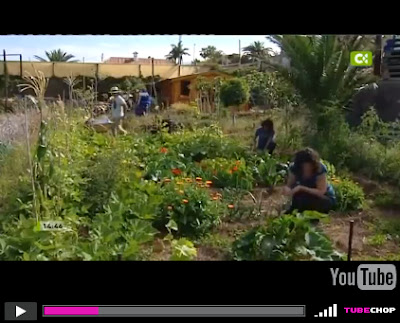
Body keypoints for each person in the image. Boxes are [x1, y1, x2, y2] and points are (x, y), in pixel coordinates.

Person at [283, 148, 336, 214]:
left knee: (310, 202)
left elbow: (321, 191)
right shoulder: (294, 168)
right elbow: (289, 185)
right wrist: (287, 189)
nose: (307, 168)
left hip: (323, 197)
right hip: (305, 196)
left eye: (309, 165)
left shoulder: (320, 169)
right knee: (299, 199)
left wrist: (301, 188)